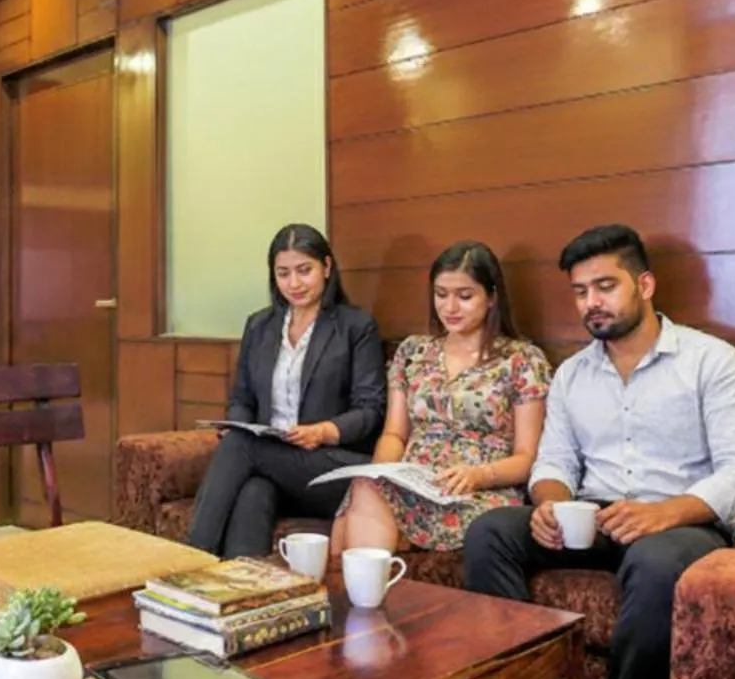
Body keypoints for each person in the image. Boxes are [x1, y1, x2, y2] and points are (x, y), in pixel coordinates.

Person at [459, 224, 735, 679]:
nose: (592, 303)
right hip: (595, 517)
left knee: (655, 565)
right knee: (489, 532)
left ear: (644, 284)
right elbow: (552, 461)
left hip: (685, 523)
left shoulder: (711, 363)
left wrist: (667, 512)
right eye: (580, 291)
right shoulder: (575, 374)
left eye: (605, 286)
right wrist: (549, 504)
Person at [330, 242, 550, 557]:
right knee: (366, 486)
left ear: (491, 298)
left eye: (464, 296)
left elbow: (527, 456)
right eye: (440, 294)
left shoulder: (521, 360)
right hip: (414, 482)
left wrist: (479, 475)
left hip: (477, 490)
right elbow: (395, 433)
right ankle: (369, 598)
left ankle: (378, 591)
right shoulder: (413, 352)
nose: (450, 307)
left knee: (359, 514)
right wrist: (384, 472)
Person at [187, 224, 385, 559]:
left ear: (326, 266)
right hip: (272, 467)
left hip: (329, 467)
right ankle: (244, 591)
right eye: (283, 273)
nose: (294, 284)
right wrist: (236, 423)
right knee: (253, 491)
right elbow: (242, 399)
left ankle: (190, 558)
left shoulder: (355, 327)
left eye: (304, 271)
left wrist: (323, 432)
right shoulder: (259, 325)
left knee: (243, 446)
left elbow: (371, 409)